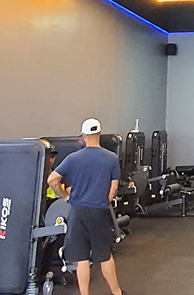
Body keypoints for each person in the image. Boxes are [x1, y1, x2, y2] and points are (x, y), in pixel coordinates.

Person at [47, 119, 127, 295]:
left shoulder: (73, 158)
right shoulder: (111, 158)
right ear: (99, 134)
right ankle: (116, 293)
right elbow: (113, 188)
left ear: (83, 136)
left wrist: (64, 196)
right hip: (99, 211)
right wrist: (104, 201)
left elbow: (52, 180)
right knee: (105, 255)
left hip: (78, 212)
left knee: (81, 257)